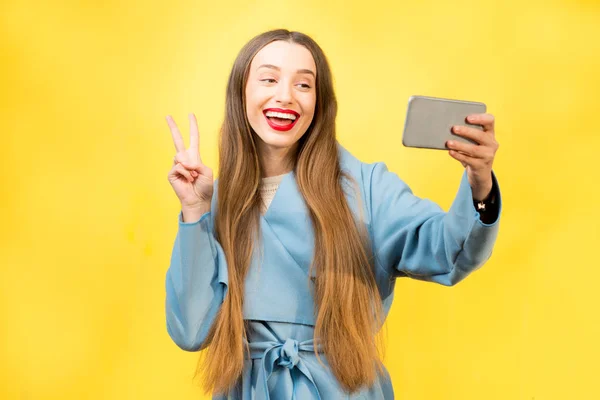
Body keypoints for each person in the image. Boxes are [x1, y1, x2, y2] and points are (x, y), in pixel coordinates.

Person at [164, 29, 501, 400]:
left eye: (304, 85)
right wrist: (194, 211)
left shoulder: (367, 186)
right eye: (269, 79)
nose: (285, 96)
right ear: (241, 93)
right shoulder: (216, 197)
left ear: (320, 102)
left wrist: (479, 182)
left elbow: (447, 250)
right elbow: (192, 331)